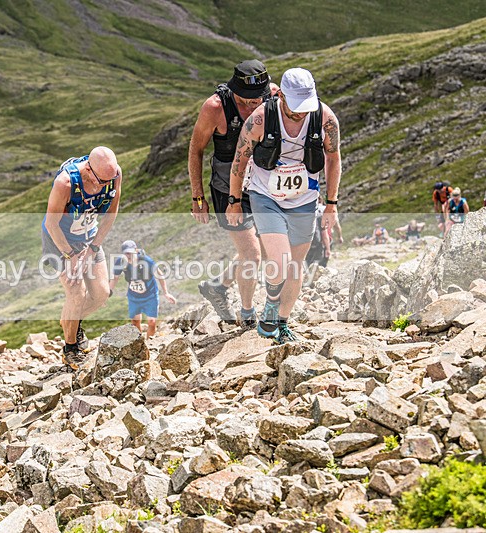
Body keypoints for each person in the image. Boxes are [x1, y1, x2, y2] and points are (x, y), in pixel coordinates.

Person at [227, 67, 341, 344]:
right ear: (281, 97)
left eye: (305, 106)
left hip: (305, 199)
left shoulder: (325, 119)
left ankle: (281, 322)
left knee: (295, 266)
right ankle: (271, 303)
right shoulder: (260, 119)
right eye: (295, 106)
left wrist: (331, 204)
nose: (301, 113)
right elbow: (240, 160)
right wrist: (234, 201)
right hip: (265, 195)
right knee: (280, 260)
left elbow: (333, 159)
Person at [189, 59, 279, 326]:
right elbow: (196, 149)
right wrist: (198, 196)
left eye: (259, 97)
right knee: (252, 255)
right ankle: (248, 316)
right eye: (248, 99)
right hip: (226, 190)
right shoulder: (215, 107)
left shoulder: (273, 95)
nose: (255, 104)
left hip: (261, 185)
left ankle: (217, 286)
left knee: (264, 248)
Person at [42, 147, 122, 370]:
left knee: (101, 294)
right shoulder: (65, 183)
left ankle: (71, 321)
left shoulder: (114, 174)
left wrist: (93, 248)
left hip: (88, 238)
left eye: (110, 180)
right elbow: (51, 223)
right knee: (76, 292)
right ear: (88, 169)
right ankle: (71, 349)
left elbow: (111, 213)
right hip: (60, 239)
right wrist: (70, 256)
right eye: (101, 181)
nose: (106, 185)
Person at [109, 240, 177, 338]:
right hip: (134, 296)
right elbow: (115, 278)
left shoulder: (146, 261)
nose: (128, 256)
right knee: (135, 322)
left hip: (150, 295)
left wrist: (166, 293)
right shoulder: (120, 262)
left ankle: (150, 343)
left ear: (136, 250)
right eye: (126, 253)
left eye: (130, 253)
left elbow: (160, 274)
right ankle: (139, 342)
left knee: (152, 322)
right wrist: (108, 293)